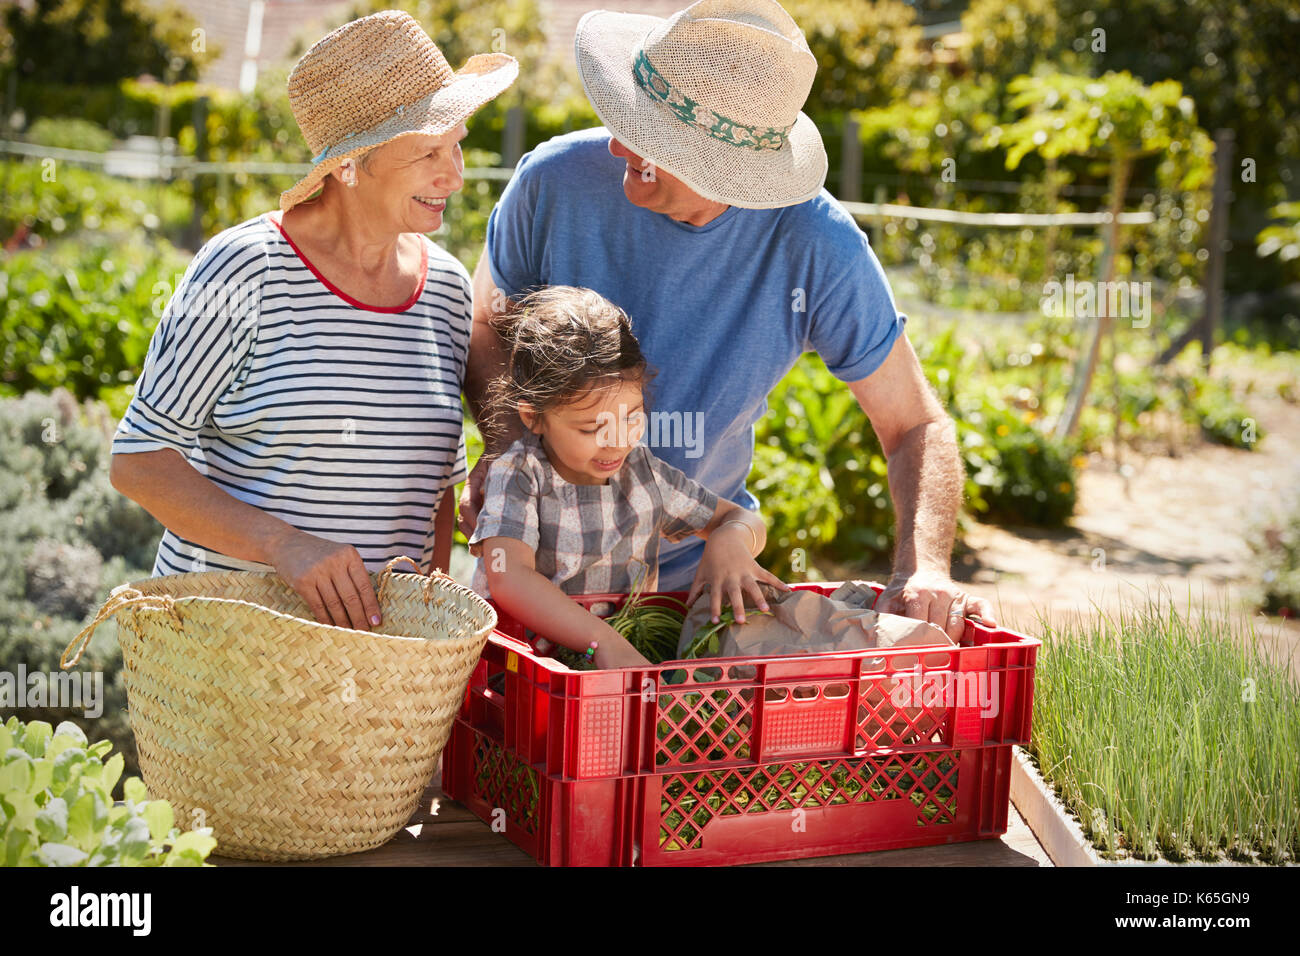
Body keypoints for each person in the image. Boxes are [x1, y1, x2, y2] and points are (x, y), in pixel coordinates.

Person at [458, 0, 995, 641]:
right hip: (536, 584)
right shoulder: (555, 181)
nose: (617, 144)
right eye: (631, 115)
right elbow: (483, 323)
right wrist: (511, 450)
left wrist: (924, 568)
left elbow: (914, 425)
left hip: (697, 592)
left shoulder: (816, 246)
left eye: (653, 140)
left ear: (733, 172)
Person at [109, 11, 517, 630]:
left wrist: (422, 631)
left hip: (374, 662)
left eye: (456, 144)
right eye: (428, 152)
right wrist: (283, 545)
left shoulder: (447, 290)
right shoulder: (243, 270)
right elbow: (139, 459)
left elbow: (433, 492)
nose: (455, 175)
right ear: (350, 166)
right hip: (229, 647)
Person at [468, 285, 786, 669]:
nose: (617, 441)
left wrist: (731, 539)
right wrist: (601, 642)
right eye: (591, 428)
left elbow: (740, 518)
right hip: (526, 673)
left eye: (632, 417)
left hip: (623, 670)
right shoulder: (520, 475)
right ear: (533, 417)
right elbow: (509, 577)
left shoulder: (642, 474)